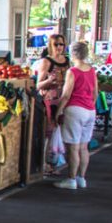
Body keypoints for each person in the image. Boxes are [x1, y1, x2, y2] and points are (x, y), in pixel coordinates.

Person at [54, 42, 97, 190]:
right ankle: (81, 178)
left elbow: (66, 95)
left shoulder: (72, 71)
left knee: (73, 147)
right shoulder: (92, 70)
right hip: (90, 110)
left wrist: (58, 111)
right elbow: (95, 93)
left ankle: (71, 179)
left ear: (72, 54)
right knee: (84, 147)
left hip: (75, 110)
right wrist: (90, 104)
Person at [35, 33, 69, 174]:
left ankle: (55, 161)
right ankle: (43, 163)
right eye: (56, 44)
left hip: (64, 99)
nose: (59, 47)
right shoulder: (46, 61)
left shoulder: (67, 61)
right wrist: (48, 82)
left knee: (59, 131)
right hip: (50, 100)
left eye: (61, 44)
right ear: (50, 45)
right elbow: (38, 85)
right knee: (48, 132)